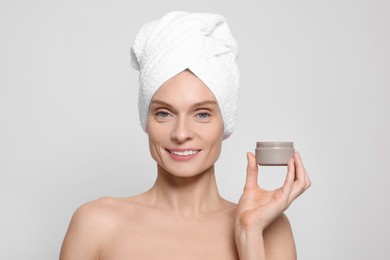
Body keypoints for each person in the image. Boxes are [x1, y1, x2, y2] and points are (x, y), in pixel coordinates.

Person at [60, 11, 310, 260]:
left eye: (201, 114)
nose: (180, 134)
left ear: (225, 122)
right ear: (146, 120)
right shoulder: (96, 225)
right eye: (164, 113)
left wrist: (249, 233)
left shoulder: (270, 228)